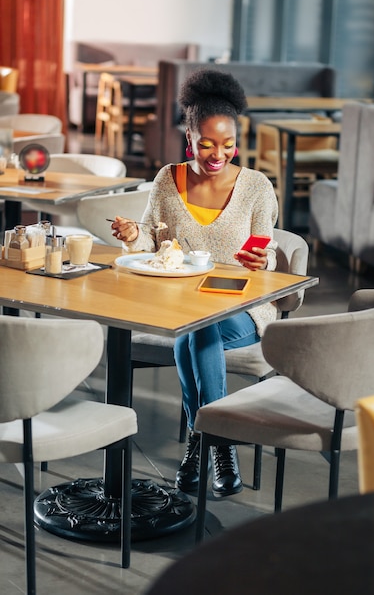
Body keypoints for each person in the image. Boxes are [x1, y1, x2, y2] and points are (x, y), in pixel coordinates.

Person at [111, 68, 278, 498]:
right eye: (206, 144)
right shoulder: (168, 179)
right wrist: (134, 235)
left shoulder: (257, 187)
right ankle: (215, 440)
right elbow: (152, 235)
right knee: (194, 328)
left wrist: (262, 259)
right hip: (181, 303)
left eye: (227, 144)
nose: (217, 153)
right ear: (190, 139)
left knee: (196, 329)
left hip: (241, 308)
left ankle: (203, 442)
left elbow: (270, 256)